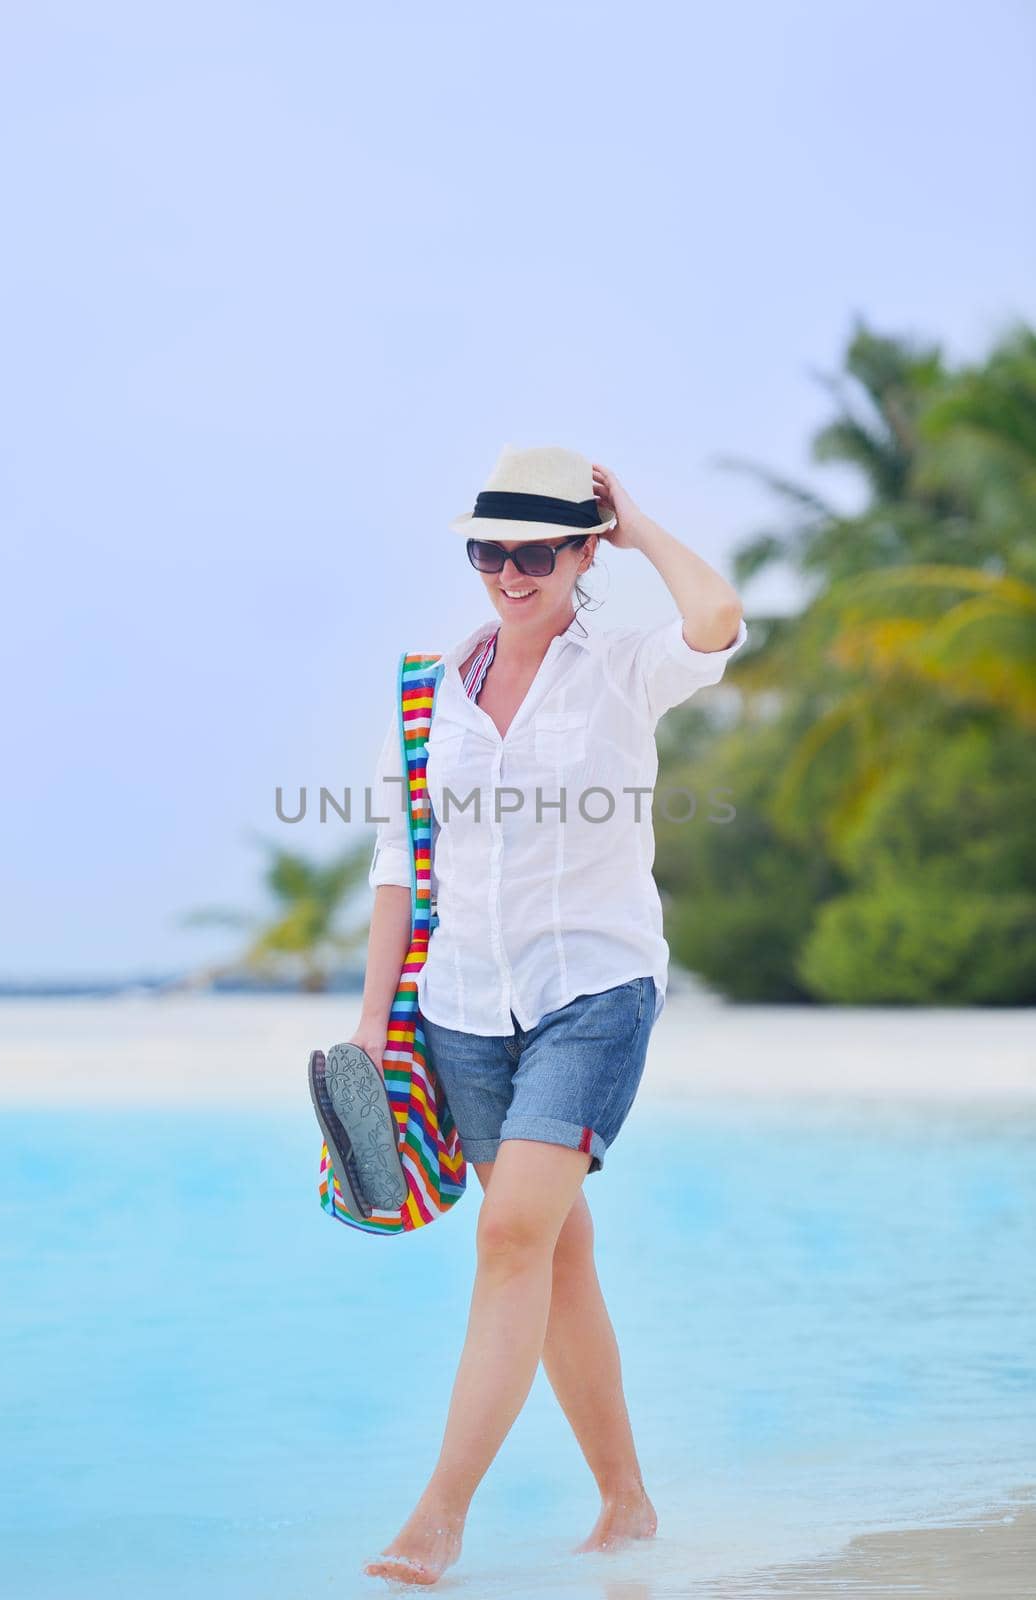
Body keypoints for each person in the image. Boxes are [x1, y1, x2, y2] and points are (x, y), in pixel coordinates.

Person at [357, 445, 747, 1585]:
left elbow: (718, 618)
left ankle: (439, 1513)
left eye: (537, 551)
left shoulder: (624, 665)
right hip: (462, 1008)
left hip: (595, 991)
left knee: (511, 1235)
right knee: (556, 1254)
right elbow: (397, 858)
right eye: (491, 550)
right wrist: (372, 1029)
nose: (510, 572)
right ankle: (627, 1502)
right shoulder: (426, 688)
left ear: (585, 554)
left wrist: (643, 524)